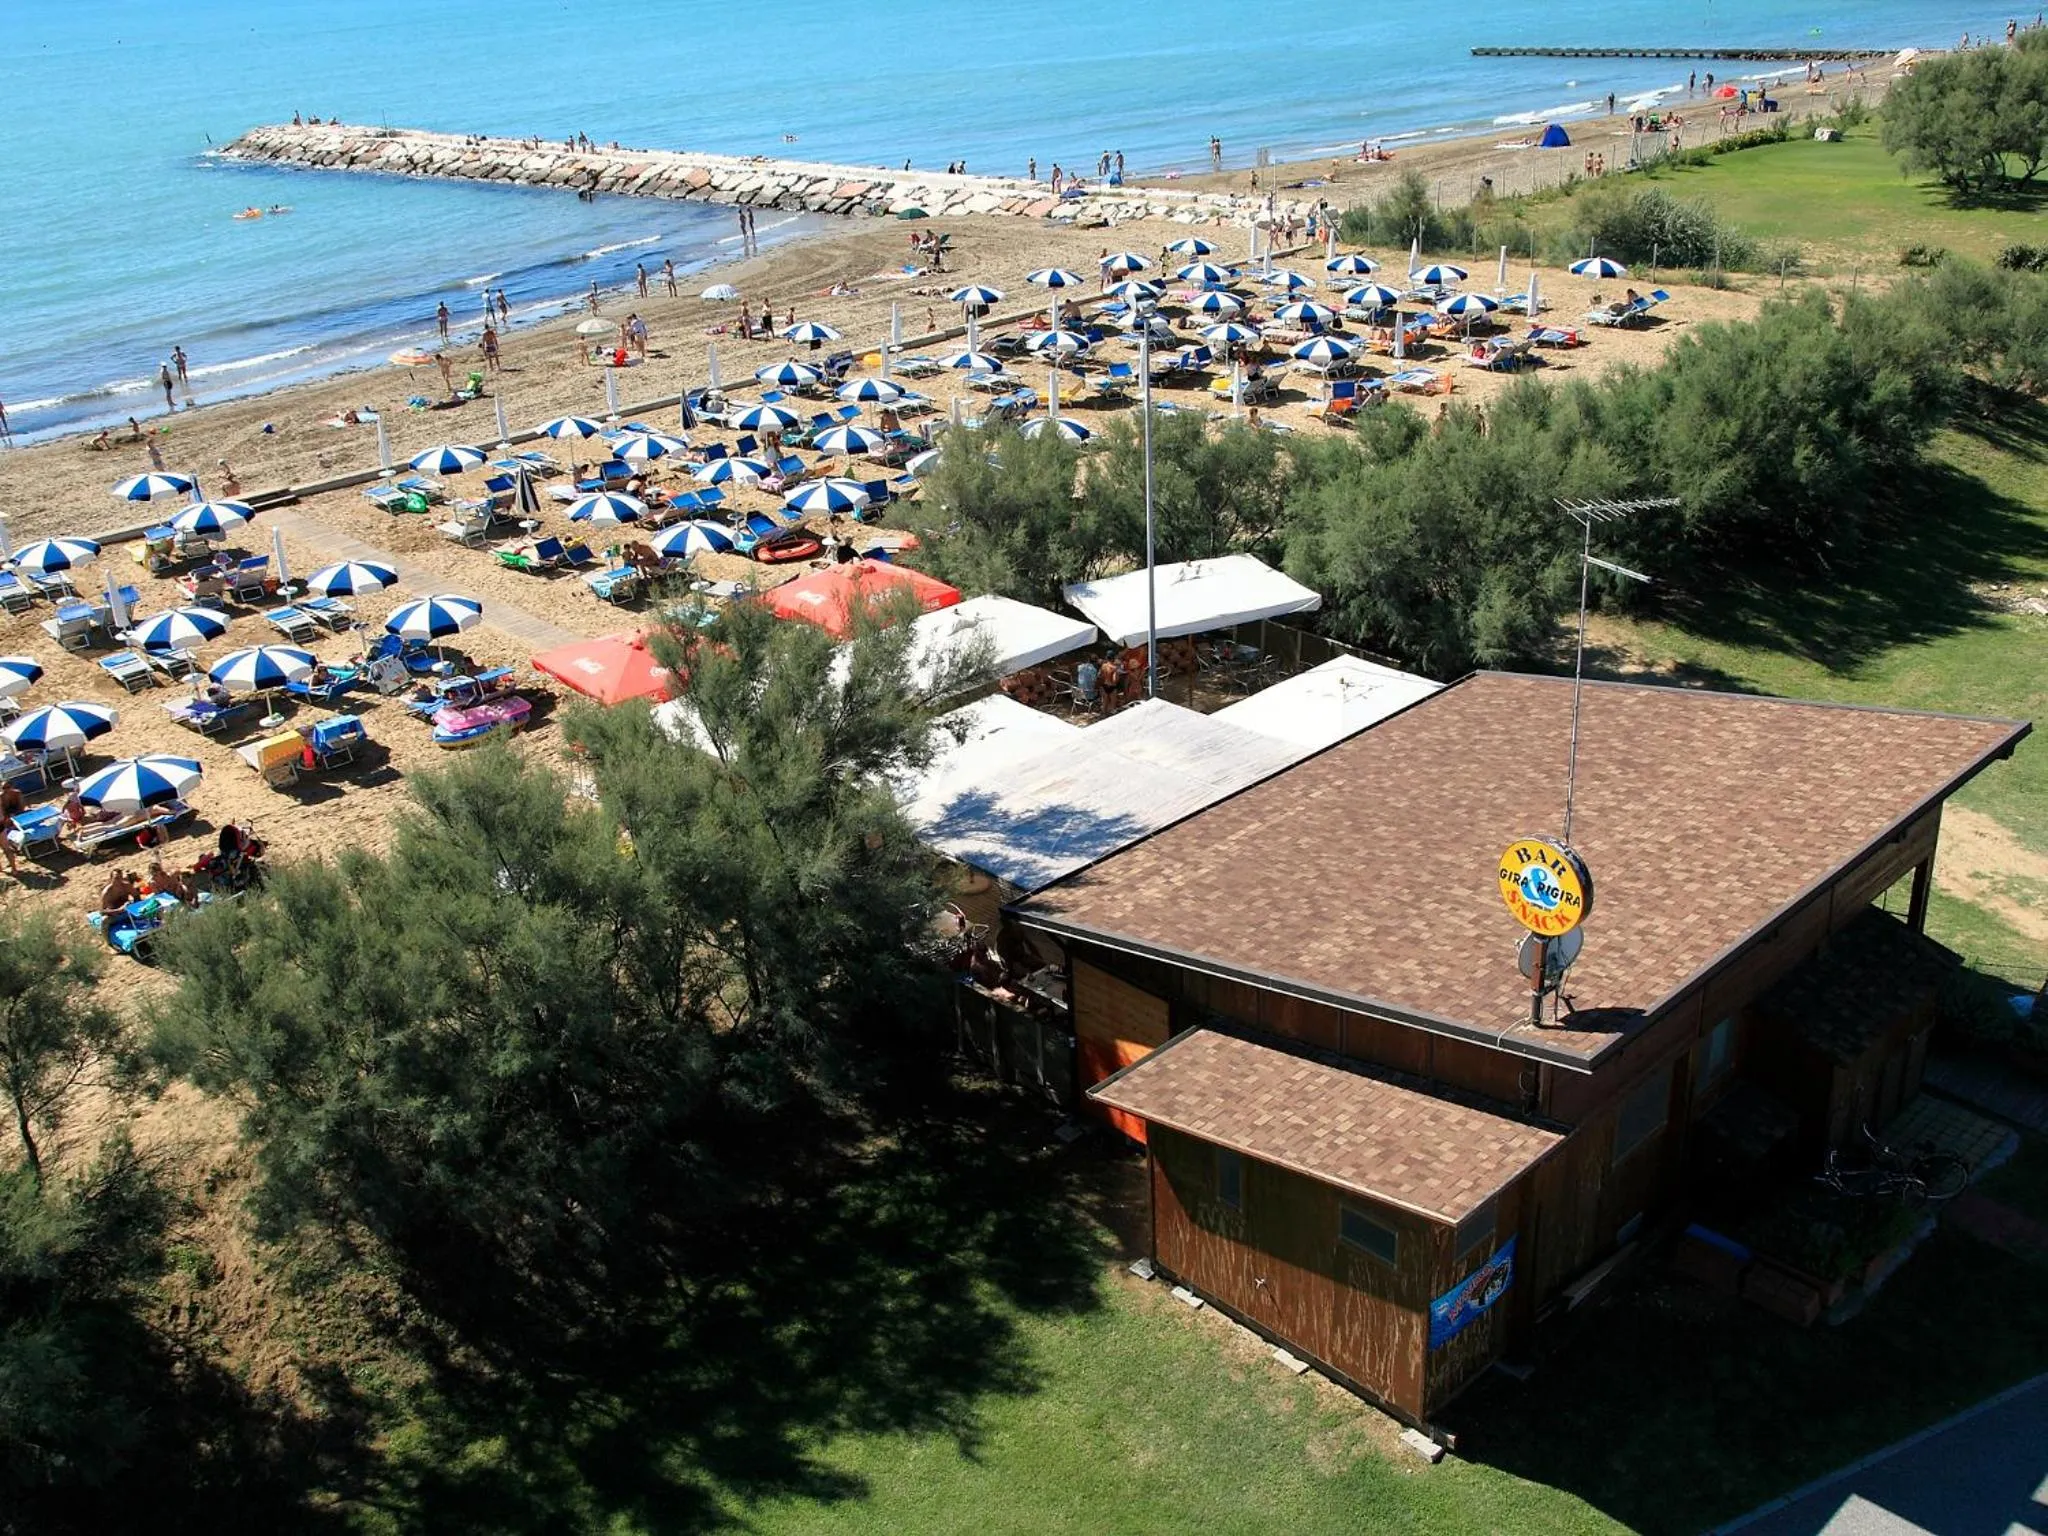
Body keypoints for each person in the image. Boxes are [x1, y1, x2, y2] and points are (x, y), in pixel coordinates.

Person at [0, 781, 23, 877]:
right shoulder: (1, 797)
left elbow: (21, 807)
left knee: (6, 848)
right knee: (6, 848)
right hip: (1, 823)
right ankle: (14, 870)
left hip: (5, 820)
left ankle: (8, 869)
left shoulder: (17, 793)